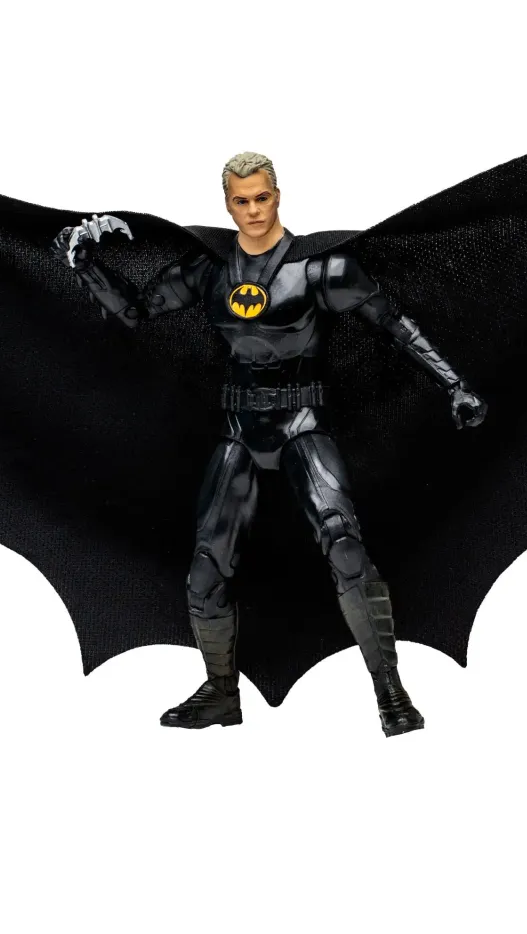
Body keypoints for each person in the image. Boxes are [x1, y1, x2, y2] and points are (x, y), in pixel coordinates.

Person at [52, 152, 486, 736]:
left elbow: (393, 323)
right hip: (239, 429)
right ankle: (220, 693)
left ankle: (391, 692)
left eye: (262, 198)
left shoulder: (321, 269)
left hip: (303, 424)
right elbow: (133, 312)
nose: (254, 210)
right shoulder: (209, 271)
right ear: (227, 205)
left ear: (277, 196)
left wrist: (454, 384)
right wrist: (85, 263)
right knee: (205, 568)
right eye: (242, 201)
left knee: (345, 548)